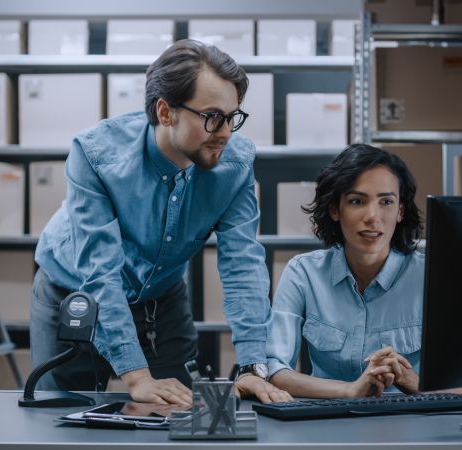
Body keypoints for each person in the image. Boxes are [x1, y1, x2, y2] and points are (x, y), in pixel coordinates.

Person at [31, 39, 292, 406]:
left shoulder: (236, 165)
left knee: (181, 412)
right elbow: (100, 273)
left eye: (233, 117)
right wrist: (136, 376)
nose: (227, 133)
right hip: (74, 291)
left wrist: (252, 364)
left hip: (161, 298)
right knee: (60, 416)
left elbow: (243, 265)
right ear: (165, 111)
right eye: (212, 117)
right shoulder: (96, 157)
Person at [266, 144, 462, 398]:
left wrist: (420, 385)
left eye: (386, 202)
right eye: (357, 201)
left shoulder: (434, 278)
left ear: (400, 211)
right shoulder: (303, 274)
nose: (373, 216)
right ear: (334, 209)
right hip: (326, 422)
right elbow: (274, 369)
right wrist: (351, 390)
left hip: (415, 426)